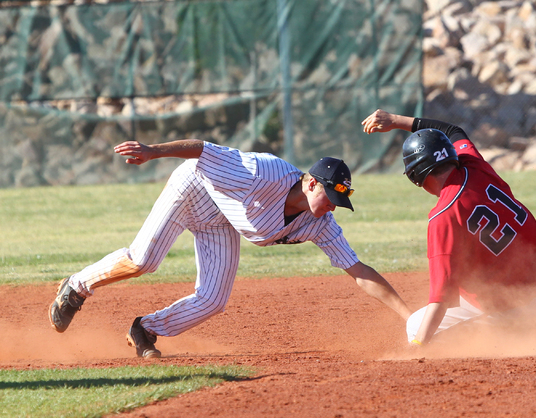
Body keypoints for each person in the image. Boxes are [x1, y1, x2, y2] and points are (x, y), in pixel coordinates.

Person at [49, 139, 412, 358]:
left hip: (222, 221)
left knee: (213, 299)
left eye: (339, 201)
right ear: (312, 182)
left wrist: (410, 317)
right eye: (331, 196)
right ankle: (77, 286)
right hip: (192, 191)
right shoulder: (264, 173)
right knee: (144, 260)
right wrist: (152, 152)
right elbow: (203, 150)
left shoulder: (318, 224)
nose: (333, 205)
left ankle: (145, 328)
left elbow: (358, 270)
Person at [362, 109, 536, 346]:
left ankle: (510, 334)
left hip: (514, 309)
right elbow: (453, 131)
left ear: (416, 177)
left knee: (415, 326)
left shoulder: (443, 215)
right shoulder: (474, 164)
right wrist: (395, 121)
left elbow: (441, 300)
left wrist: (418, 346)